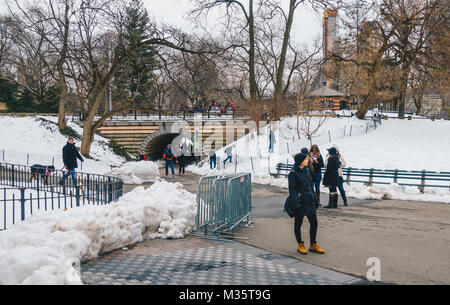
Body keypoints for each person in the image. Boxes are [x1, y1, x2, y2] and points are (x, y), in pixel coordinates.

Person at [288, 153, 325, 255]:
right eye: (305, 159)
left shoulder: (307, 170)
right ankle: (300, 244)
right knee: (298, 223)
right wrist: (296, 204)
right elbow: (292, 190)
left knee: (314, 223)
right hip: (300, 202)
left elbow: (310, 186)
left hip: (310, 201)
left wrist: (315, 199)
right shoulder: (293, 173)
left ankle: (313, 244)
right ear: (300, 161)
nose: (307, 160)